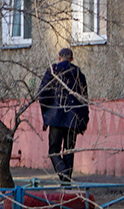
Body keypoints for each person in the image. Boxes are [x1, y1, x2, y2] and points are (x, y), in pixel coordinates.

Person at [37, 47, 89, 182]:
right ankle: (66, 183)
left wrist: (47, 114)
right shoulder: (79, 75)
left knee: (54, 151)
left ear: (59, 57)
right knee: (68, 150)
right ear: (71, 59)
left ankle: (64, 174)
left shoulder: (52, 72)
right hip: (73, 119)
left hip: (55, 118)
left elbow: (42, 94)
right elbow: (84, 100)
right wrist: (82, 122)